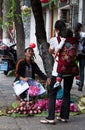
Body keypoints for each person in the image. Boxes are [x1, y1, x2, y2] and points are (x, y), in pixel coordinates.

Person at [40, 20, 79, 124]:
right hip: (71, 69)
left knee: (52, 93)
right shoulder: (74, 40)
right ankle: (64, 116)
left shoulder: (54, 39)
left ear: (56, 29)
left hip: (58, 70)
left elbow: (50, 51)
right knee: (67, 92)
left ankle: (50, 117)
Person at [74, 22, 85, 91]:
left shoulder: (73, 35)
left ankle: (73, 82)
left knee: (73, 69)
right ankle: (80, 85)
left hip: (75, 55)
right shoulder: (84, 34)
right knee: (81, 70)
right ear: (80, 28)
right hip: (83, 55)